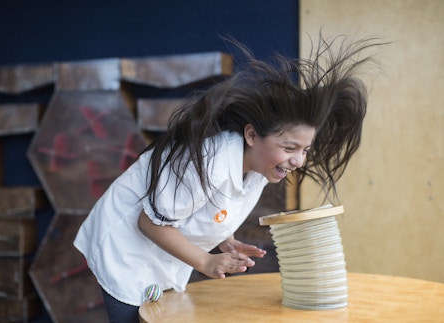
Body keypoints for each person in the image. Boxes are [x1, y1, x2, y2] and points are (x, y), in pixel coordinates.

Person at [74, 35, 385, 322]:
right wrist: (205, 262)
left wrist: (223, 238)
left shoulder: (261, 170)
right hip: (124, 247)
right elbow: (150, 222)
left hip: (158, 253)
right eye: (290, 147)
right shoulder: (207, 161)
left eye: (304, 150)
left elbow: (204, 205)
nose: (298, 160)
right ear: (252, 135)